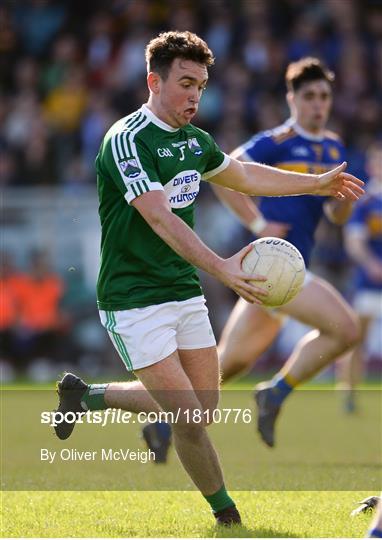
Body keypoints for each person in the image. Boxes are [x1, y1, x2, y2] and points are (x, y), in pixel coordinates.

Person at [53, 34, 363, 526]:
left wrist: (316, 182)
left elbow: (242, 175)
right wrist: (221, 266)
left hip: (182, 290)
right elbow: (159, 217)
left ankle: (86, 396)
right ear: (154, 82)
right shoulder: (126, 139)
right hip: (133, 298)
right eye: (185, 84)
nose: (195, 96)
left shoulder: (195, 140)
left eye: (201, 85)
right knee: (190, 417)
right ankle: (228, 517)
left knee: (202, 408)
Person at [212, 57, 363, 447]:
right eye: (309, 96)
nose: (318, 104)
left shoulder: (333, 147)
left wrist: (343, 201)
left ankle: (161, 422)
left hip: (289, 270)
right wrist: (259, 224)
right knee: (345, 330)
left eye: (324, 96)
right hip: (274, 263)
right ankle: (276, 393)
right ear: (291, 98)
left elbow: (335, 214)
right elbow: (219, 176)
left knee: (226, 366)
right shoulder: (274, 142)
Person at [337, 142, 382, 412]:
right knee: (357, 339)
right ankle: (349, 392)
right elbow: (354, 242)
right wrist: (371, 264)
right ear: (371, 166)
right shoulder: (366, 203)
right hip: (370, 283)